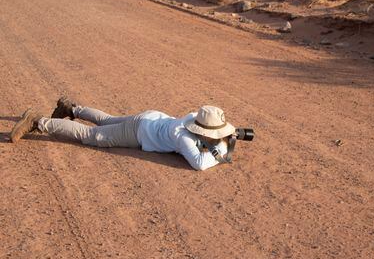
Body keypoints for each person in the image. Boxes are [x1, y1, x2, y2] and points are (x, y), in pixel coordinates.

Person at [10, 97, 236, 171]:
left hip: (151, 118)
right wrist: (224, 147)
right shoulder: (184, 137)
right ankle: (38, 121)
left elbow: (205, 131)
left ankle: (70, 108)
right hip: (139, 132)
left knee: (107, 120)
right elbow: (198, 163)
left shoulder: (194, 116)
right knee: (92, 135)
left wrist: (217, 138)